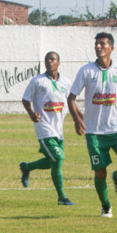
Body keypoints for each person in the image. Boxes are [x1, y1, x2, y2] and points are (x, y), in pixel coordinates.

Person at [68, 32, 117, 218]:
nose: (98, 47)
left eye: (102, 44)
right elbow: (71, 98)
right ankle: (106, 206)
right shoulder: (86, 71)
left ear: (111, 48)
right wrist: (77, 119)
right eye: (96, 44)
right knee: (100, 172)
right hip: (94, 132)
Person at [20, 52, 74, 206]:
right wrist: (31, 113)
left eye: (52, 59)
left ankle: (27, 167)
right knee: (58, 158)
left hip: (59, 129)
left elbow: (71, 101)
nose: (49, 62)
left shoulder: (66, 82)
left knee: (52, 162)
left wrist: (79, 119)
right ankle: (62, 197)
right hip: (43, 127)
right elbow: (25, 99)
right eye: (47, 60)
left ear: (59, 62)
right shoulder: (38, 81)